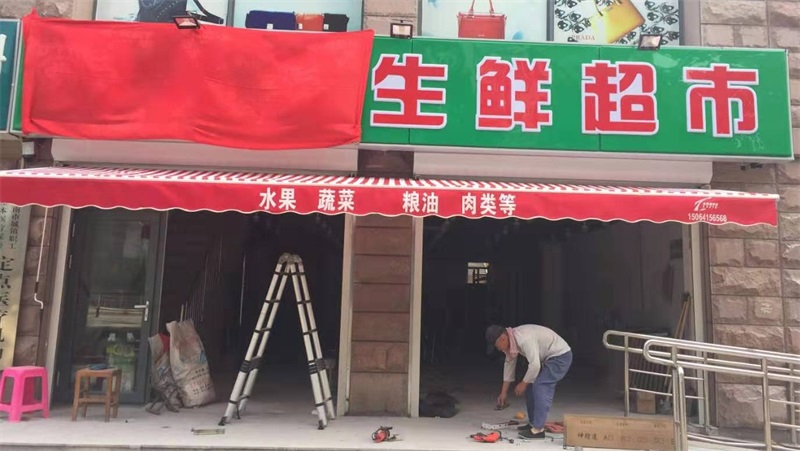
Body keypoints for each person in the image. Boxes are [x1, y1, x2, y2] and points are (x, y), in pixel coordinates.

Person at [485, 324, 572, 440]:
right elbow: (509, 366)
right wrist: (503, 393)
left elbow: (535, 365)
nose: (499, 349)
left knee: (541, 385)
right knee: (530, 386)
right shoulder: (512, 342)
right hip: (548, 358)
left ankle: (538, 430)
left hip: (560, 357)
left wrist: (523, 383)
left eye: (497, 346)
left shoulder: (523, 339)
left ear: (503, 338)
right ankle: (533, 423)